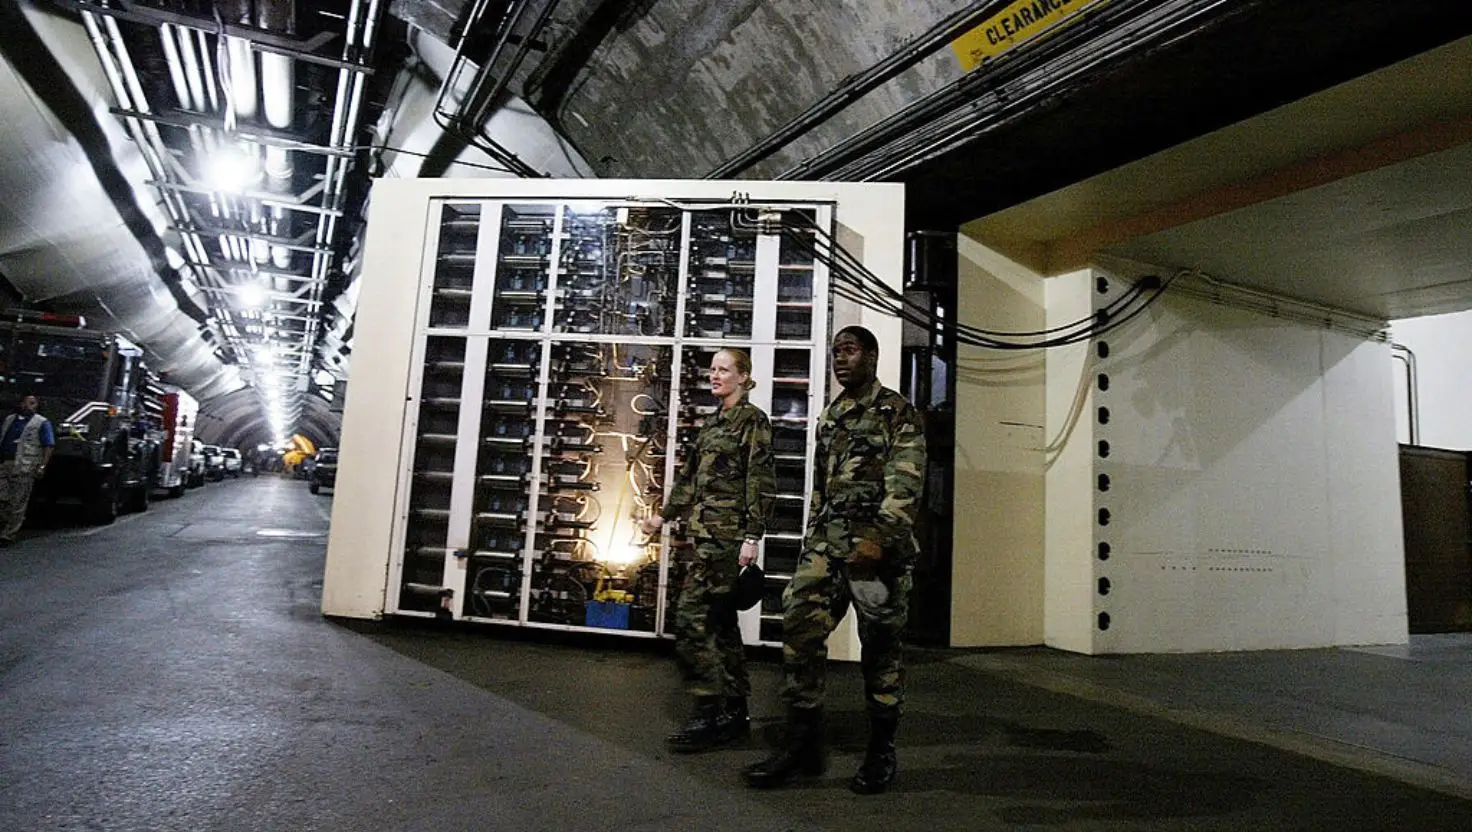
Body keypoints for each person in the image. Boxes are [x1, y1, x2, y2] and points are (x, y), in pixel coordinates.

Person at [743, 325, 925, 795]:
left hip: (876, 554)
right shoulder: (831, 416)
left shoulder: (897, 412)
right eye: (836, 352)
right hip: (828, 545)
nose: (840, 359)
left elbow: (906, 484)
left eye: (850, 351)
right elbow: (821, 488)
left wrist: (879, 538)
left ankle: (881, 749)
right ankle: (803, 742)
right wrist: (811, 540)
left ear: (872, 356)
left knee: (880, 650)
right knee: (799, 625)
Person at [643, 348, 775, 752]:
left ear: (743, 376)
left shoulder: (752, 421)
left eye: (724, 370)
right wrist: (662, 517)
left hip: (727, 542)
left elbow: (760, 480)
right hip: (706, 538)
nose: (714, 375)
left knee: (691, 619)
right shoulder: (713, 422)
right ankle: (733, 712)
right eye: (712, 369)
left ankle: (707, 709)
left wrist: (752, 537)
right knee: (721, 625)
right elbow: (689, 478)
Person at [0, 394, 56, 544]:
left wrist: (42, 465)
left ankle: (8, 535)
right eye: (25, 403)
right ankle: (6, 524)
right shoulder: (10, 420)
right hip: (5, 464)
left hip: (25, 466)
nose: (28, 406)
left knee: (18, 502)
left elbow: (48, 445)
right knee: (3, 498)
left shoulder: (41, 423)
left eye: (32, 403)